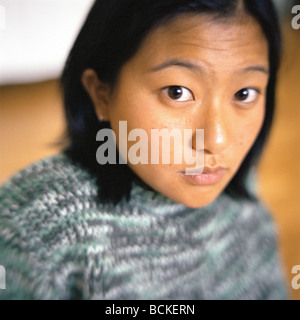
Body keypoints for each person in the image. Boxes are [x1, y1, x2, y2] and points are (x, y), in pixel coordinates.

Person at [0, 0, 288, 299]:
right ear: (101, 93)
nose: (216, 141)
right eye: (177, 92)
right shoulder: (33, 230)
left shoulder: (242, 205)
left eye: (244, 93)